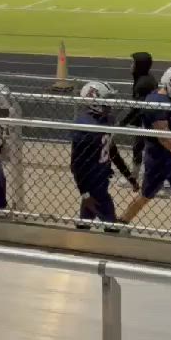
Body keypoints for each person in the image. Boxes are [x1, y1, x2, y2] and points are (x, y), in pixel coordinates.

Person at [119, 67, 171, 237]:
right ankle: (122, 220)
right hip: (159, 157)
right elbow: (164, 139)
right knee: (146, 195)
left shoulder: (168, 99)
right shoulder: (157, 102)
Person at [71, 81, 138, 229]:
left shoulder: (106, 120)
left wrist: (129, 176)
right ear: (94, 101)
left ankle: (79, 240)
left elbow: (112, 150)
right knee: (112, 226)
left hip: (102, 177)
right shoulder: (85, 127)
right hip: (93, 182)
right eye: (107, 99)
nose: (110, 103)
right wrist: (85, 194)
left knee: (85, 221)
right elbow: (76, 165)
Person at [120, 52, 157, 180]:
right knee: (141, 147)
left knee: (142, 148)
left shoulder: (143, 83)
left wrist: (123, 122)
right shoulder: (145, 78)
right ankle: (136, 175)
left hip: (147, 121)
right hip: (148, 119)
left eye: (134, 63)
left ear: (139, 66)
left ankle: (137, 176)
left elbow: (138, 107)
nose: (131, 66)